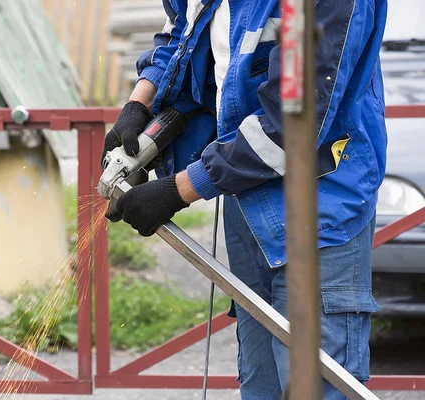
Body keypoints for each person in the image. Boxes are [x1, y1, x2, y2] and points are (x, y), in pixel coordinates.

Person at [102, 0, 388, 399]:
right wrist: (141, 102)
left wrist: (179, 189)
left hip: (319, 210)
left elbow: (296, 117)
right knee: (262, 386)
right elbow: (184, 28)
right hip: (247, 198)